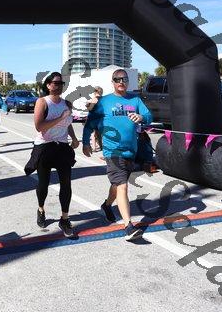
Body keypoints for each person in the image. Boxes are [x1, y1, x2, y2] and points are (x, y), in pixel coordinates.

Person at [82, 69, 152, 241]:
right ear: (112, 82)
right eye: (117, 79)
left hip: (131, 151)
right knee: (122, 186)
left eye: (124, 79)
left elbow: (149, 116)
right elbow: (90, 123)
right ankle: (128, 226)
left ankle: (107, 205)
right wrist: (85, 142)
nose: (121, 82)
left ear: (128, 81)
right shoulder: (104, 102)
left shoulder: (135, 100)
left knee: (118, 184)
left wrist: (141, 117)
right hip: (112, 151)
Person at [25, 72, 79, 237]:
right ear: (48, 85)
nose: (59, 86)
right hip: (45, 147)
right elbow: (39, 126)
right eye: (56, 83)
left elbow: (68, 123)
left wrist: (74, 138)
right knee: (43, 184)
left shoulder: (67, 104)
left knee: (66, 183)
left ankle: (65, 219)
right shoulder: (42, 102)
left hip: (62, 147)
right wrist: (61, 117)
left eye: (61, 83)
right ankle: (41, 209)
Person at [86, 86, 104, 152]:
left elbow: (90, 108)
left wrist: (87, 105)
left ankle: (94, 148)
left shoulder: (94, 99)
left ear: (95, 92)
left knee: (93, 134)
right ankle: (101, 146)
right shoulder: (103, 99)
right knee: (99, 133)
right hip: (101, 118)